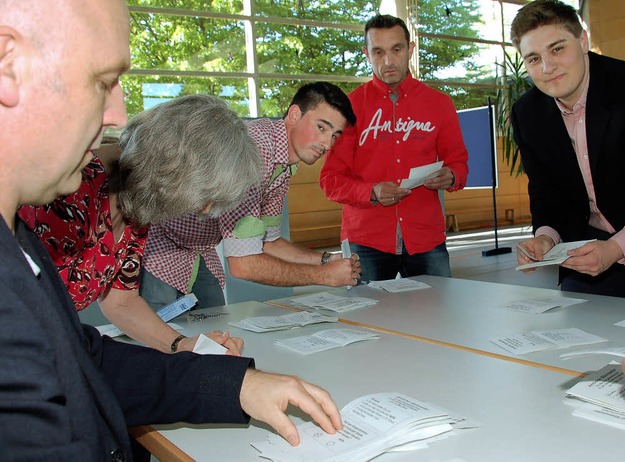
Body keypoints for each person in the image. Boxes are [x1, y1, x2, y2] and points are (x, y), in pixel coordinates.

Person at [0, 1, 343, 458]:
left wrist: (186, 347)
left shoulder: (137, 215)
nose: (204, 212)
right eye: (104, 83)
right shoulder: (56, 198)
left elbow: (110, 313)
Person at [18, 94, 257, 354]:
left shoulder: (137, 204)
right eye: (205, 196)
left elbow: (122, 302)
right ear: (176, 169)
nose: (205, 209)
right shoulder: (71, 188)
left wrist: (182, 345)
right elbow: (28, 306)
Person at [140, 82, 362, 310]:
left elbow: (269, 241)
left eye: (335, 135)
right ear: (295, 114)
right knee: (162, 339)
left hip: (200, 252)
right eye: (321, 128)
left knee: (212, 333)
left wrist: (326, 259)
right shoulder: (257, 151)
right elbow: (243, 264)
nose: (327, 144)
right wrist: (323, 276)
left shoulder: (283, 165)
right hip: (161, 249)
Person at [319, 14, 469, 283]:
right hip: (366, 241)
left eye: (396, 50)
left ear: (411, 50)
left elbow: (458, 164)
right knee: (367, 322)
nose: (388, 61)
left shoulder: (440, 104)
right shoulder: (348, 108)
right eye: (378, 52)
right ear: (366, 53)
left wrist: (452, 176)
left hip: (426, 236)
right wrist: (372, 192)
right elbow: (330, 181)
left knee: (438, 319)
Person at [511, 0, 625, 298]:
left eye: (557, 49)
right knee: (575, 324)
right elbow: (545, 191)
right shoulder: (528, 113)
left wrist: (618, 247)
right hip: (586, 240)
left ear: (582, 41)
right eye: (533, 58)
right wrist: (545, 238)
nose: (547, 67)